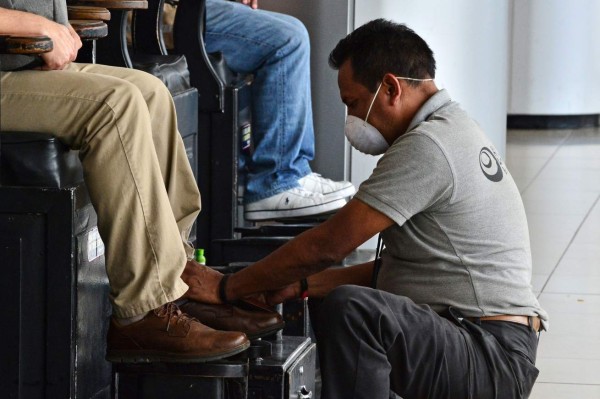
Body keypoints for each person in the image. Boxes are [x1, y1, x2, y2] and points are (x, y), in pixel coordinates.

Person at [204, 19, 549, 398]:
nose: (351, 120)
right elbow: (397, 272)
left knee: (352, 312)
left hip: (491, 354)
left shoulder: (429, 145)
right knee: (328, 301)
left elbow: (328, 246)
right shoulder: (450, 129)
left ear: (390, 87)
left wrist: (226, 287)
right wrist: (298, 285)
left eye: (352, 103)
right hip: (485, 341)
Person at [0, 0, 283, 363]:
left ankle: (177, 277)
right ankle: (142, 310)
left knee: (151, 94)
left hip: (26, 64)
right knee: (115, 105)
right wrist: (37, 26)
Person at [202, 0, 356, 221]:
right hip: (171, 11)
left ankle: (294, 172)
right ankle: (276, 180)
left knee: (293, 30)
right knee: (288, 39)